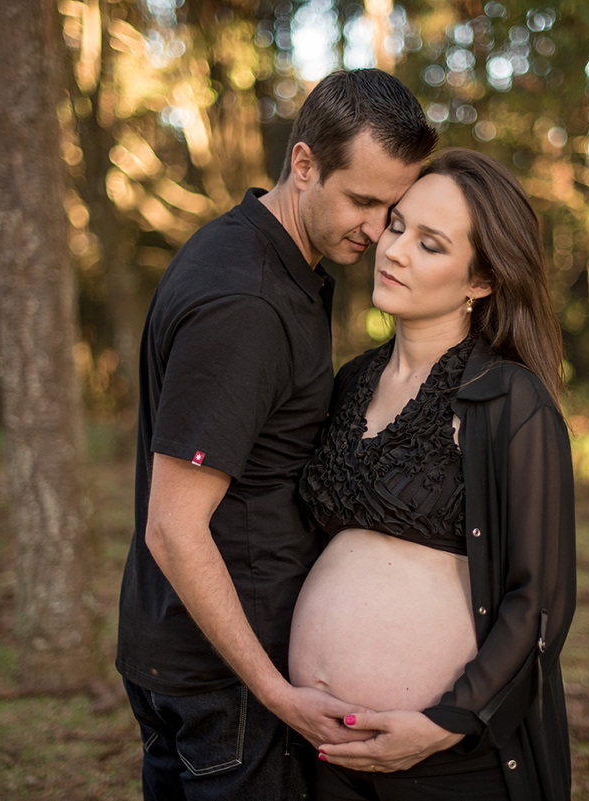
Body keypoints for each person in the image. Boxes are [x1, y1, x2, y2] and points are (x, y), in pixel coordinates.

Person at [116, 69, 437, 801]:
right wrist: (274, 690)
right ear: (303, 164)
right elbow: (173, 526)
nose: (377, 228)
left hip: (193, 664)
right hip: (227, 685)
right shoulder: (247, 303)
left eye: (392, 206)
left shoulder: (261, 258)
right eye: (362, 199)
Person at [291, 148, 577, 801]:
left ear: (480, 281)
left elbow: (538, 603)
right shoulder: (350, 382)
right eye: (396, 226)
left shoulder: (510, 403)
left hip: (445, 765)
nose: (393, 251)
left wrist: (444, 723)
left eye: (430, 244)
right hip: (322, 753)